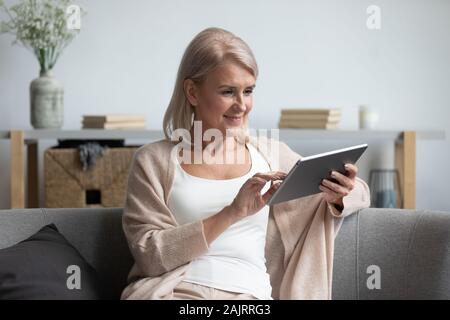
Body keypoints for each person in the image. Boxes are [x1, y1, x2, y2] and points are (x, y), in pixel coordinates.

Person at [120, 27, 370, 300]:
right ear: (192, 92)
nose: (242, 105)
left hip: (248, 298)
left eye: (248, 91)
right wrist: (232, 212)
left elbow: (360, 193)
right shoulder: (153, 162)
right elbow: (149, 255)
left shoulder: (271, 154)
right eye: (228, 92)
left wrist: (339, 193)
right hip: (176, 293)